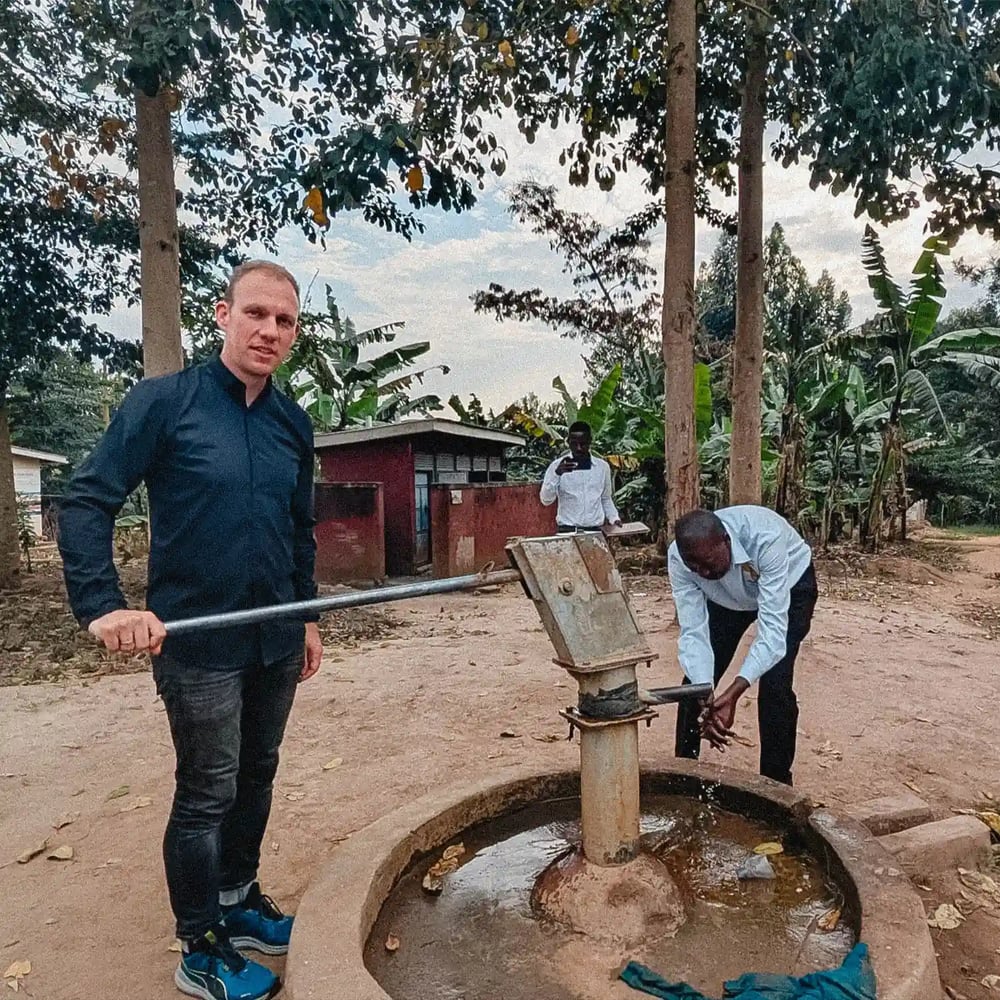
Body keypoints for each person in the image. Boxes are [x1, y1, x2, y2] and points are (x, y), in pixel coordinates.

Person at [58, 261, 322, 1000]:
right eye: (258, 314)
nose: (270, 330)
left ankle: (239, 903)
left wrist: (302, 615)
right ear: (222, 315)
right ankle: (200, 946)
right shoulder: (164, 404)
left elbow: (299, 530)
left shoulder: (291, 424)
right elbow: (86, 501)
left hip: (272, 638)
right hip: (196, 643)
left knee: (257, 773)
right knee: (207, 790)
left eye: (286, 321)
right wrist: (104, 605)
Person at [668, 506, 817, 786]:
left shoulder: (765, 536)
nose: (703, 572)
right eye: (695, 567)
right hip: (728, 600)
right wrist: (706, 691)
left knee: (775, 686)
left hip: (791, 586)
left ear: (727, 541)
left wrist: (734, 693)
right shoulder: (679, 557)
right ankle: (684, 774)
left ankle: (776, 786)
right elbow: (693, 632)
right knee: (694, 686)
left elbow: (772, 634)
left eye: (709, 563)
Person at [540, 421, 622, 532]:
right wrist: (557, 474)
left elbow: (605, 498)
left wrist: (614, 518)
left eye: (583, 444)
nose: (578, 448)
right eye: (574, 444)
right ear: (568, 442)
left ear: (590, 441)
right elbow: (546, 500)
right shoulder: (556, 466)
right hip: (567, 531)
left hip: (595, 531)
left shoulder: (602, 467)